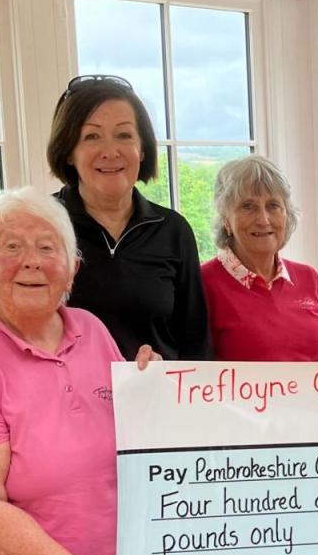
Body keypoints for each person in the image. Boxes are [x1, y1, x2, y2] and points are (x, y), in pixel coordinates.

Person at [0, 187, 159, 555]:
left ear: (72, 268)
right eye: (12, 246)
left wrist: (155, 390)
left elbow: (126, 447)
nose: (31, 261)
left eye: (46, 246)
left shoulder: (92, 330)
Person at [47, 74, 210, 361]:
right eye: (92, 136)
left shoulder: (173, 230)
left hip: (158, 401)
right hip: (63, 403)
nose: (110, 152)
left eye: (124, 135)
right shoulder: (41, 225)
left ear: (143, 148)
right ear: (69, 151)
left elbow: (197, 346)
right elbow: (5, 330)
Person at [201, 155, 318, 361]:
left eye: (273, 206)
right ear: (226, 219)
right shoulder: (203, 283)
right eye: (248, 206)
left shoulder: (309, 278)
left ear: (286, 215)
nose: (263, 219)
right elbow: (192, 373)